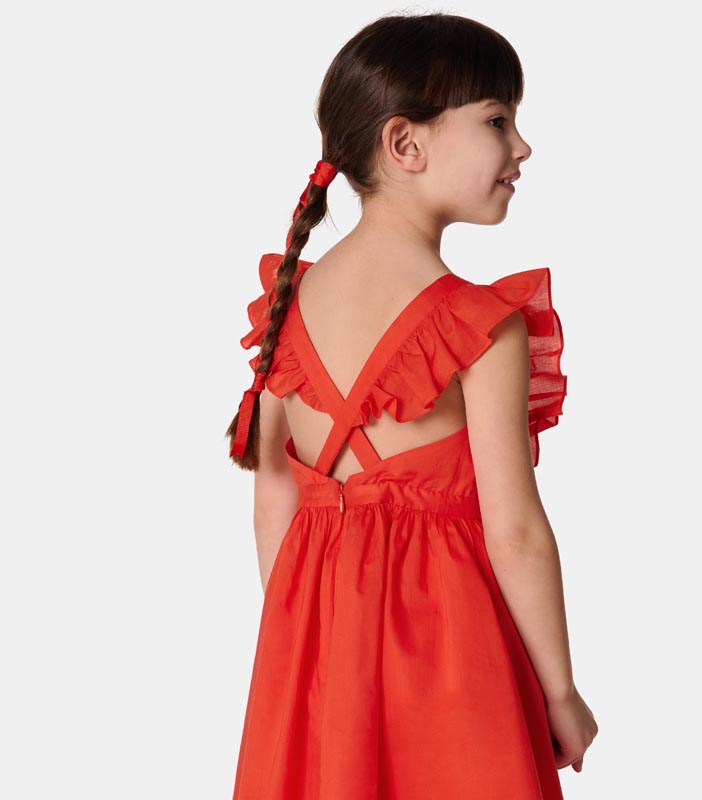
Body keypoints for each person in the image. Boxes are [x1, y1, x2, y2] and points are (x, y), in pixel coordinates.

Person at [225, 11, 597, 800]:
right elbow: (516, 533)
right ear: (406, 144)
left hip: (315, 656)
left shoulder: (287, 307)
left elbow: (273, 497)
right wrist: (560, 692)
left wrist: (313, 641)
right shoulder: (478, 326)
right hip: (455, 656)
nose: (522, 147)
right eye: (497, 121)